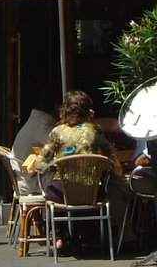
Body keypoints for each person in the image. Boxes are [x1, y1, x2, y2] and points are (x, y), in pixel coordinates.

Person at [33, 89, 132, 253]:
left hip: (62, 192)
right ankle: (88, 236)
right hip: (91, 190)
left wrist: (57, 164)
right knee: (96, 194)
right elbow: (110, 154)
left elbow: (40, 162)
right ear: (88, 110)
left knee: (52, 195)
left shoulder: (57, 132)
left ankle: (59, 238)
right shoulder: (96, 131)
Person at [11, 90, 57, 194]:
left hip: (23, 178)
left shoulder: (36, 120)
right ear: (57, 107)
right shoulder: (44, 123)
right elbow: (61, 144)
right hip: (33, 181)